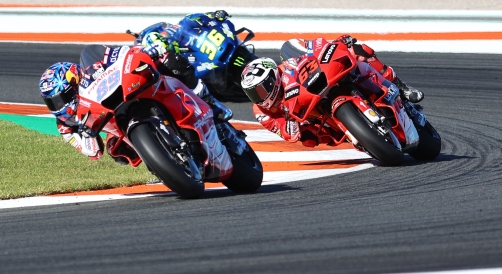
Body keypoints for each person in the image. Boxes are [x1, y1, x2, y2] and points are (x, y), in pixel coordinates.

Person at [38, 42, 230, 165]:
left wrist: (145, 50)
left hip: (131, 91)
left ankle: (209, 101)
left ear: (75, 83)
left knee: (169, 60)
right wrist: (87, 133)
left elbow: (118, 55)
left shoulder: (93, 68)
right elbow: (93, 152)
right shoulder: (65, 124)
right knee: (116, 151)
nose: (58, 106)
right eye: (51, 102)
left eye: (60, 99)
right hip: (118, 126)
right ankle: (163, 161)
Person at [240, 35, 425, 147]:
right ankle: (356, 134)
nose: (259, 97)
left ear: (274, 79)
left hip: (328, 80)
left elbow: (315, 47)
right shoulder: (261, 111)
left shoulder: (288, 66)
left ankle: (402, 87)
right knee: (310, 139)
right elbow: (287, 133)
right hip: (315, 115)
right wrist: (294, 125)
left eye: (261, 90)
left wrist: (336, 44)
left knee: (359, 50)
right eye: (253, 93)